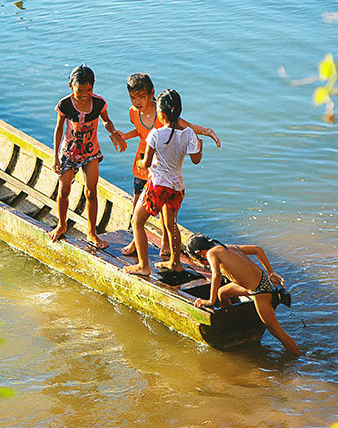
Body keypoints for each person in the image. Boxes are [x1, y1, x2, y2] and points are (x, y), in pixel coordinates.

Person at [116, 73, 220, 254]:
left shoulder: (163, 112)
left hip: (158, 172)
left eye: (142, 97)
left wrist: (206, 131)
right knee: (137, 207)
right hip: (142, 169)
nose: (137, 102)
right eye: (133, 98)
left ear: (151, 94)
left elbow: (185, 126)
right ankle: (136, 241)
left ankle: (165, 242)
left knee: (166, 212)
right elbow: (141, 132)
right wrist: (125, 136)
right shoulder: (133, 113)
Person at [121, 89, 201, 277]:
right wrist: (200, 144)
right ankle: (175, 262)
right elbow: (196, 159)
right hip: (177, 187)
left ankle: (143, 266)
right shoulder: (188, 133)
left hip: (157, 186)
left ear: (161, 113)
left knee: (137, 221)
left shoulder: (155, 135)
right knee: (171, 224)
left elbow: (147, 163)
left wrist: (140, 161)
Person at [47, 64, 125, 249]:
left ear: (93, 87)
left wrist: (113, 132)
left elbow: (106, 120)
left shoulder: (98, 103)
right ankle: (61, 225)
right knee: (64, 191)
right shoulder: (65, 104)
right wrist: (55, 157)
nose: (84, 94)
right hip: (69, 153)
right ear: (70, 86)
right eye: (80, 90)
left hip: (91, 153)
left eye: (88, 90)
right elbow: (59, 130)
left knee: (91, 192)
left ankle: (92, 232)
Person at [187, 233, 301, 356]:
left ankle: (299, 357)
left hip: (260, 291)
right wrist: (271, 273)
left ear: (199, 253)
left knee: (275, 330)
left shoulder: (211, 253)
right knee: (223, 293)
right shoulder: (229, 247)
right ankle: (230, 326)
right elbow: (258, 250)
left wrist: (210, 301)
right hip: (260, 283)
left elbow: (216, 276)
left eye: (196, 258)